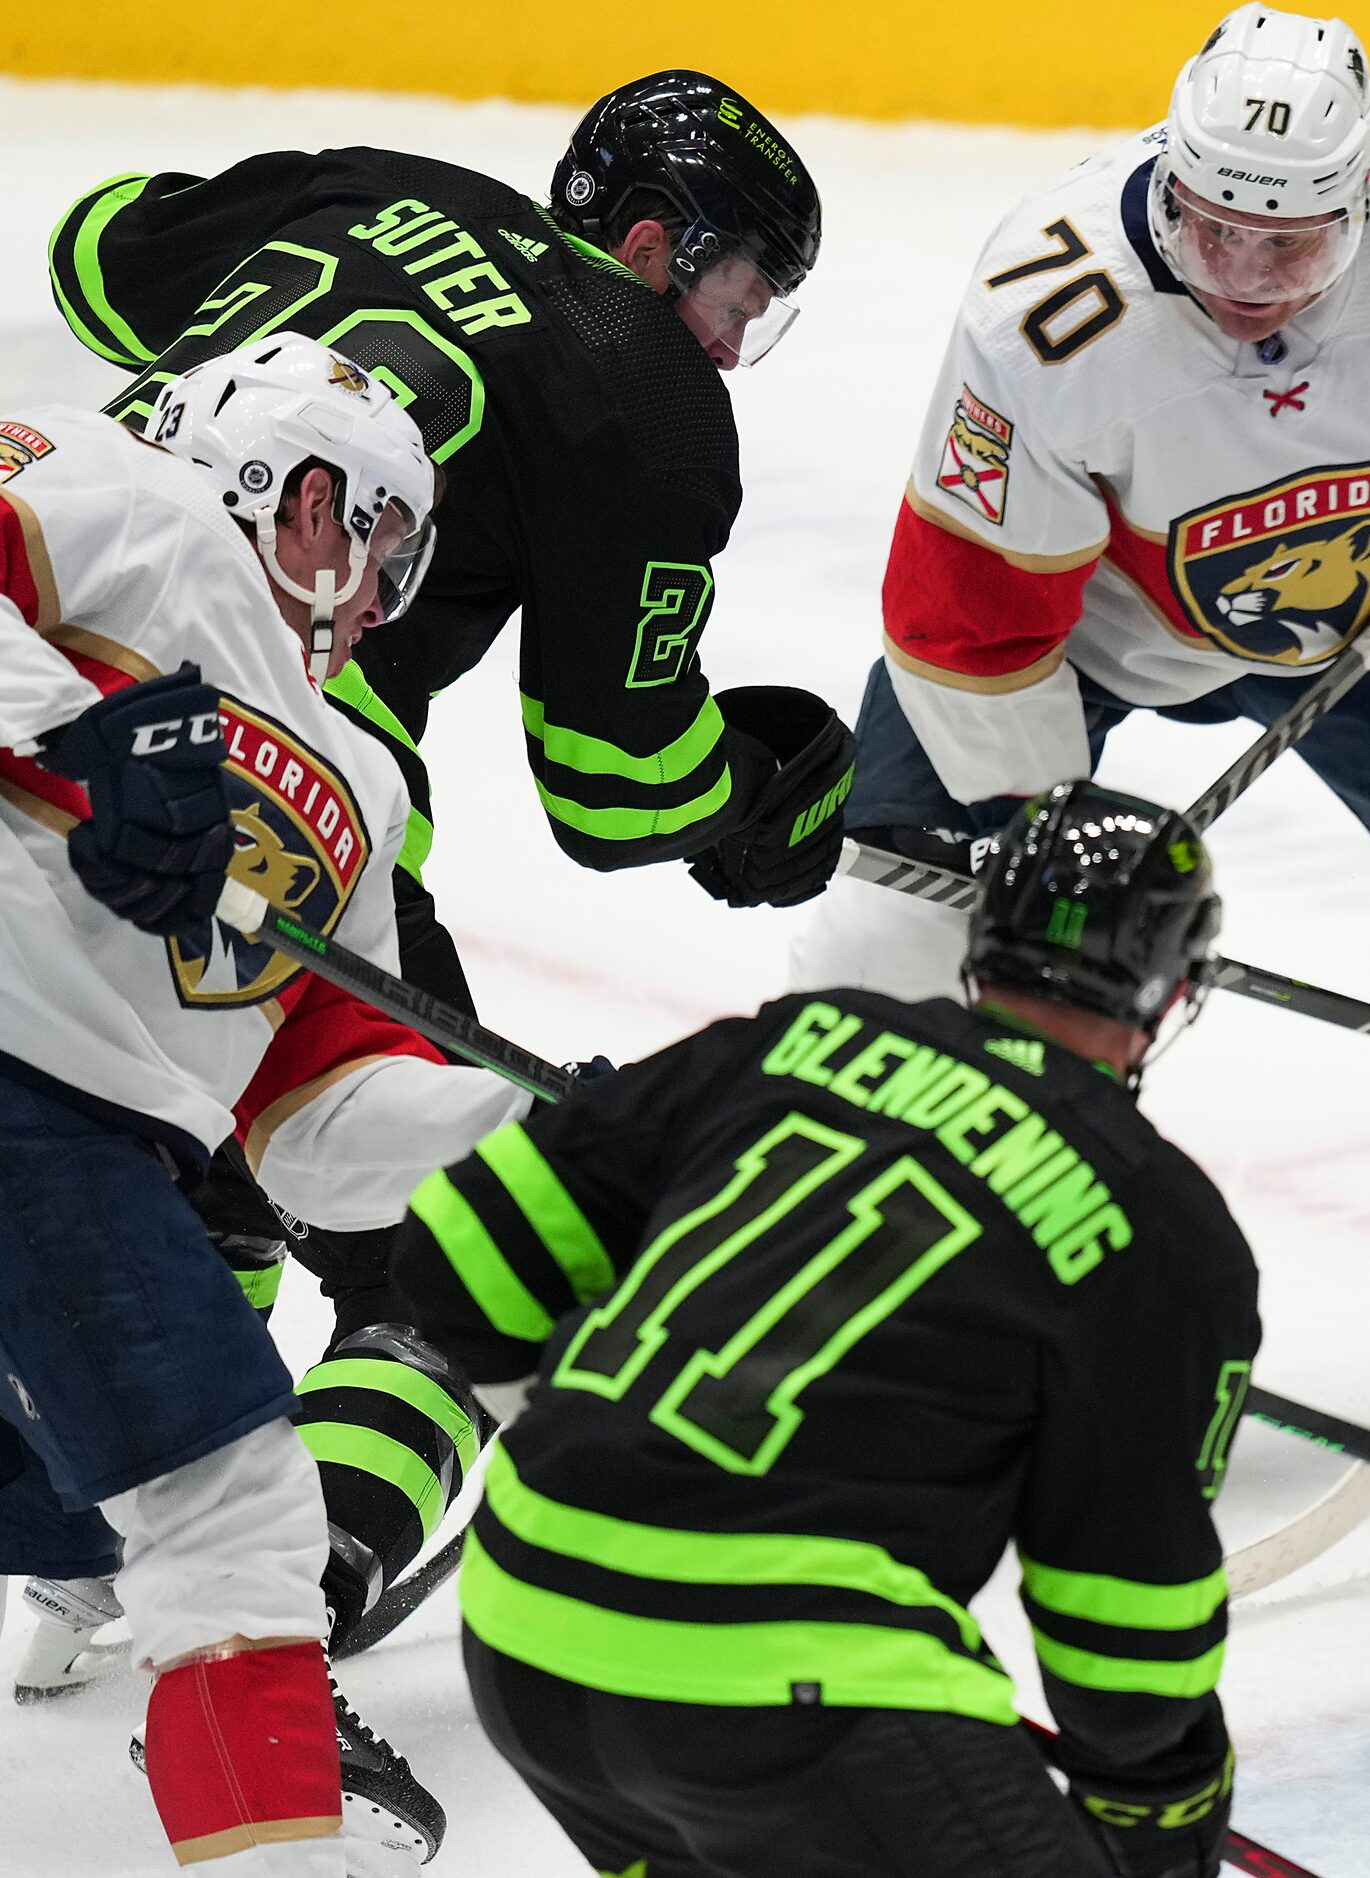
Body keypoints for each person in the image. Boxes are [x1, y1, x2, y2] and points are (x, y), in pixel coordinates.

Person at [37, 68, 856, 1671]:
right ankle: (292, 1611)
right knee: (469, 1244)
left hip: (56, 711)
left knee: (168, 1151)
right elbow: (615, 783)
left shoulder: (361, 179)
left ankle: (84, 1553)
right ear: (650, 243)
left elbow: (91, 249)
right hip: (288, 816)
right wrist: (753, 802)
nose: (732, 340)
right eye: (739, 293)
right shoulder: (645, 386)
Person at [391, 781, 1262, 1878]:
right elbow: (1127, 1625)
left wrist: (598, 1443)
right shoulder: (1158, 1224)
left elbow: (458, 1248)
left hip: (529, 1629)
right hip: (792, 1701)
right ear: (1175, 985)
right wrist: (1163, 1813)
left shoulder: (806, 1037)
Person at [789, 2, 1370, 1016]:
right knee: (898, 928)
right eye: (1214, 230)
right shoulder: (1047, 318)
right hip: (1083, 640)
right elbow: (969, 626)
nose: (1245, 279)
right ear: (1170, 175)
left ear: (1357, 203)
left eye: (1290, 247)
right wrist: (1043, 836)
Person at [0, 335, 533, 1873]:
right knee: (235, 1524)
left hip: (85, 1160)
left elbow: (316, 1123)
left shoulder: (359, 783)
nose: (380, 598)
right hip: (36, 1094)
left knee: (106, 1517)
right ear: (315, 501)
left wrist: (526, 1130)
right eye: (382, 548)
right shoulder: (120, 491)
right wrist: (68, 725)